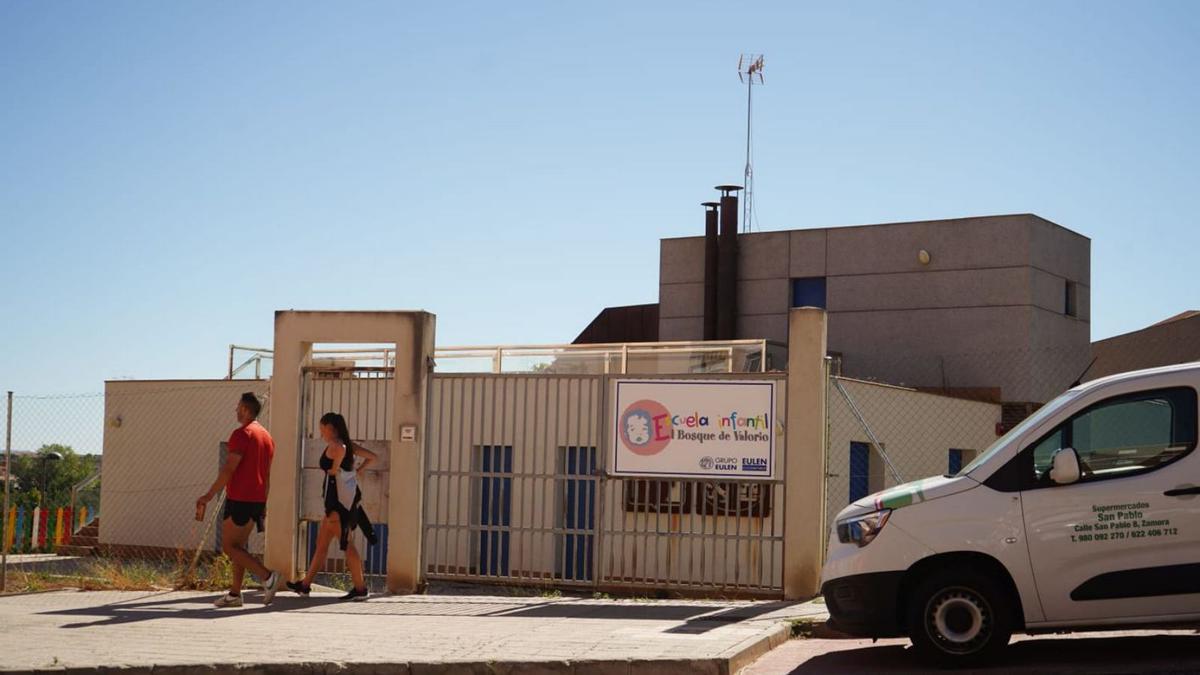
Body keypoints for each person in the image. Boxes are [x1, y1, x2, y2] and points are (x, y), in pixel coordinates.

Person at [196, 392, 282, 607]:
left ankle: (268, 577)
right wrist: (264, 503)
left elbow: (229, 469)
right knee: (239, 546)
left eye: (238, 407)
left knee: (229, 547)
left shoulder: (242, 434)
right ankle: (235, 594)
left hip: (241, 498)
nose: (235, 410)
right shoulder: (267, 437)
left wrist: (208, 495)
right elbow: (268, 474)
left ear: (245, 409)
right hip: (257, 499)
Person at [287, 412, 377, 601]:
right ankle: (304, 586)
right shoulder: (346, 445)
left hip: (337, 503)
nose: (321, 432)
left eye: (322, 428)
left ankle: (360, 588)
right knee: (322, 545)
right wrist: (357, 470)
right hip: (337, 501)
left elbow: (340, 458)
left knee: (346, 543)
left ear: (331, 428)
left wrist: (336, 469)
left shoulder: (338, 445)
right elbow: (372, 457)